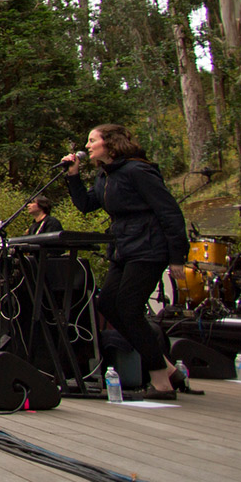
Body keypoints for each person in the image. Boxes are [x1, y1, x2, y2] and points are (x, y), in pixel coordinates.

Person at [64, 124, 190, 400]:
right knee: (109, 304)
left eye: (92, 140)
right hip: (123, 248)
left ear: (110, 143)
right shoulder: (104, 175)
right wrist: (73, 177)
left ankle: (161, 383)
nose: (87, 146)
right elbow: (86, 204)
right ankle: (169, 369)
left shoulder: (137, 170)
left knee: (129, 309)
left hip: (149, 247)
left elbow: (169, 211)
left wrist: (177, 256)